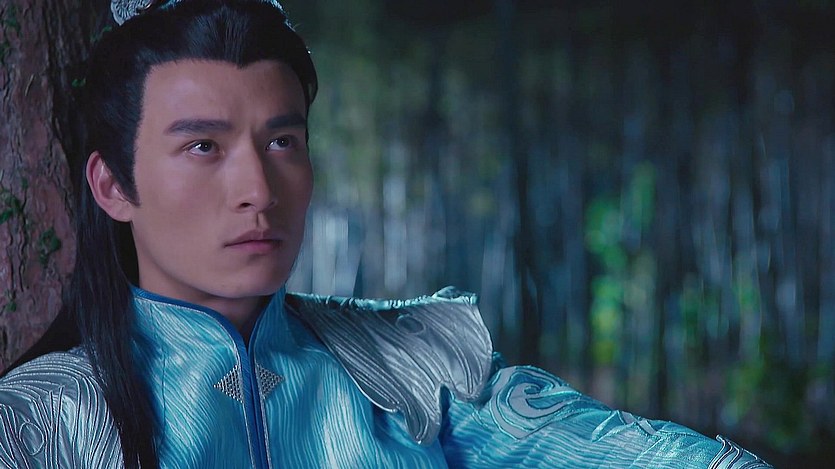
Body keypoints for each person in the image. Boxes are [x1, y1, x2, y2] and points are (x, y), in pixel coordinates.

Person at [0, 0, 772, 467]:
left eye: (282, 141)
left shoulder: (404, 365)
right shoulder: (41, 423)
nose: (257, 189)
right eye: (203, 145)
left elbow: (607, 449)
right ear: (113, 185)